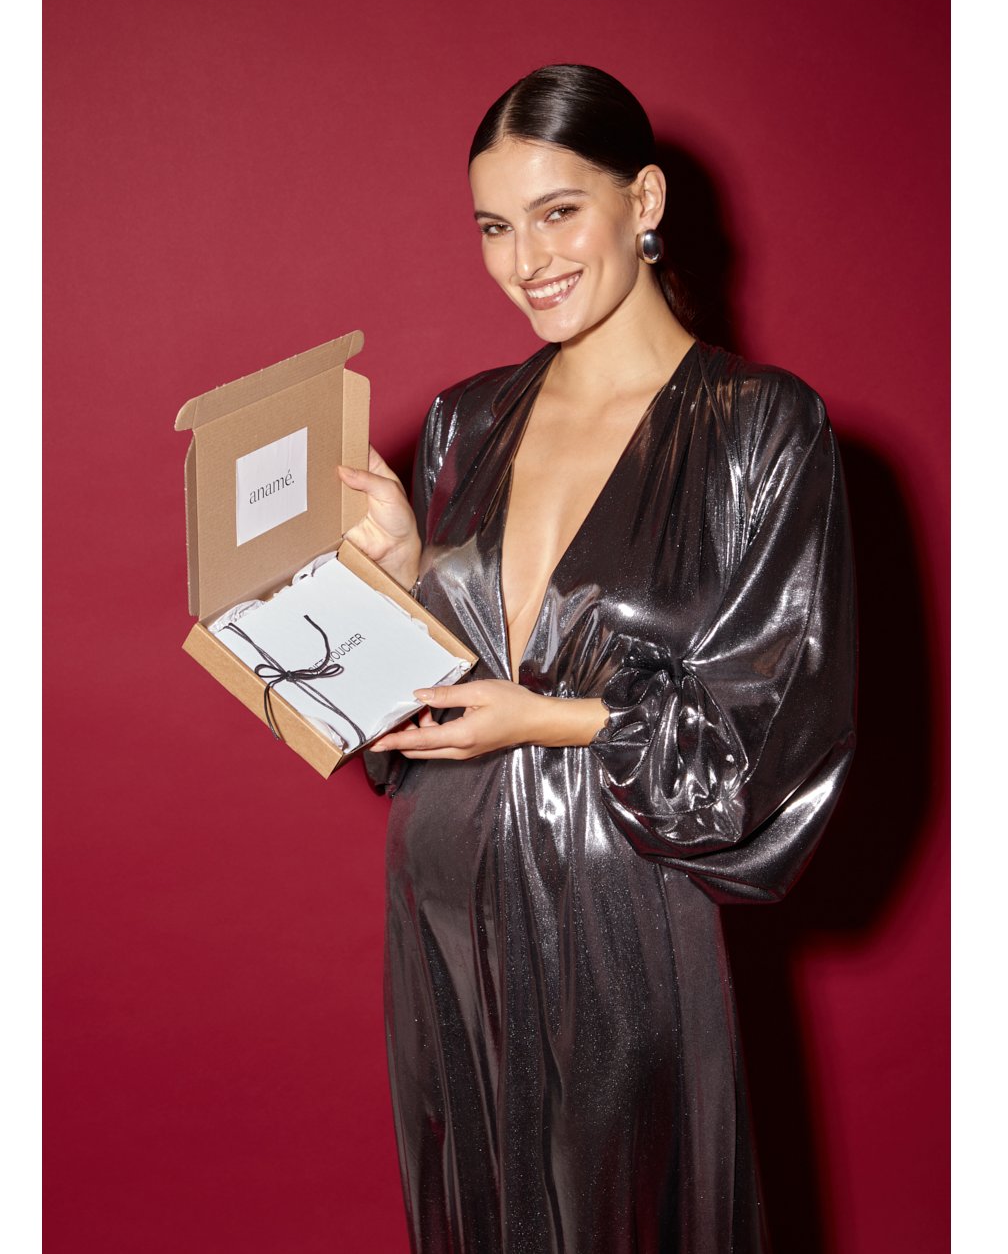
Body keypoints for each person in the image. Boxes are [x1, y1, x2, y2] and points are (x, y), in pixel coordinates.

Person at [337, 64, 857, 1254]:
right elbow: (440, 697)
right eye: (494, 228)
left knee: (624, 1215)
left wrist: (549, 720)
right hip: (443, 903)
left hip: (619, 903)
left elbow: (772, 738)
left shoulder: (761, 427)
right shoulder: (467, 420)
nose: (526, 261)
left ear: (645, 200)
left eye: (558, 212)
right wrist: (407, 574)